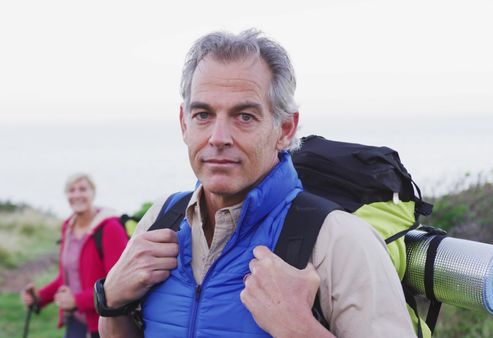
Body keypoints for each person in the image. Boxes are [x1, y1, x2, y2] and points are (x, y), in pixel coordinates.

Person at [98, 29, 415, 337]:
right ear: (184, 123)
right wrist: (110, 301)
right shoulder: (160, 220)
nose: (218, 138)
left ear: (285, 129)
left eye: (244, 117)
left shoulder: (340, 241)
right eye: (203, 115)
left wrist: (300, 331)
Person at [21, 173, 128, 338]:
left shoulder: (110, 228)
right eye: (71, 190)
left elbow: (120, 284)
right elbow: (66, 277)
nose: (77, 194)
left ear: (93, 192)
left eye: (82, 189)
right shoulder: (68, 228)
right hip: (76, 321)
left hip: (104, 325)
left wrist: (77, 301)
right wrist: (39, 298)